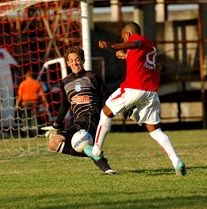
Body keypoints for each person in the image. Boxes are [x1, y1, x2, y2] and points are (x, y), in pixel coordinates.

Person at [91, 22, 186, 176]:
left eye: (123, 37)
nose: (124, 41)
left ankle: (96, 150)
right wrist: (125, 55)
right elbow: (138, 57)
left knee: (105, 112)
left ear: (128, 34)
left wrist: (113, 45)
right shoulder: (150, 46)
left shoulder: (138, 40)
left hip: (134, 88)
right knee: (155, 131)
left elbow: (134, 43)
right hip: (151, 93)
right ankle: (177, 161)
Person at [42, 46, 115, 175]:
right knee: (53, 143)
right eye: (72, 60)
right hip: (78, 122)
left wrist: (105, 116)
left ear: (83, 60)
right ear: (67, 63)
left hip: (91, 118)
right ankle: (101, 162)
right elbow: (65, 104)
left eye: (77, 59)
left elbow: (106, 96)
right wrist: (56, 124)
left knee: (83, 140)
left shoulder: (92, 76)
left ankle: (106, 168)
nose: (75, 63)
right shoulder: (65, 82)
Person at [15, 70, 49, 136]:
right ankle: (34, 133)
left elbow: (19, 96)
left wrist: (16, 105)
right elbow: (42, 95)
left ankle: (26, 134)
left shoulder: (23, 84)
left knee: (25, 118)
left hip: (25, 104)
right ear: (32, 76)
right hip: (34, 103)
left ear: (26, 76)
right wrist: (46, 103)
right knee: (34, 118)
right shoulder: (36, 83)